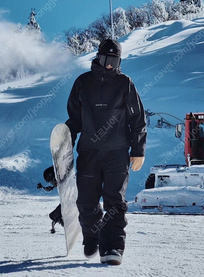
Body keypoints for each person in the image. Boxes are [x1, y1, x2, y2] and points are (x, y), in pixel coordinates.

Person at [65, 39, 147, 265]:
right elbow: (74, 120)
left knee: (115, 202)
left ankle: (112, 247)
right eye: (105, 59)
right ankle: (92, 235)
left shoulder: (125, 83)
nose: (109, 65)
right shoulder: (83, 83)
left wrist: (138, 149)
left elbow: (137, 119)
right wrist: (65, 146)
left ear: (119, 62)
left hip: (117, 153)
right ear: (98, 58)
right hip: (89, 153)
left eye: (114, 60)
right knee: (86, 203)